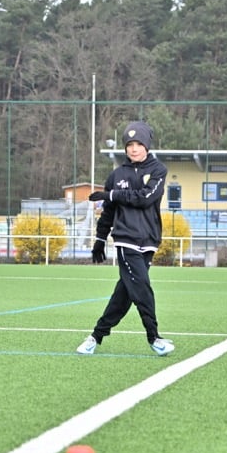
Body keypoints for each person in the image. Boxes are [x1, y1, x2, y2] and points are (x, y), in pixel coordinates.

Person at [76, 120, 174, 357]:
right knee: (141, 287)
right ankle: (154, 337)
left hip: (149, 239)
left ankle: (95, 336)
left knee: (126, 293)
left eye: (139, 143)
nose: (134, 148)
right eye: (130, 144)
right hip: (126, 239)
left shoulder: (158, 171)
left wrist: (111, 194)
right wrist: (100, 239)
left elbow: (145, 197)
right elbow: (109, 211)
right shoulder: (117, 174)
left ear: (147, 145)